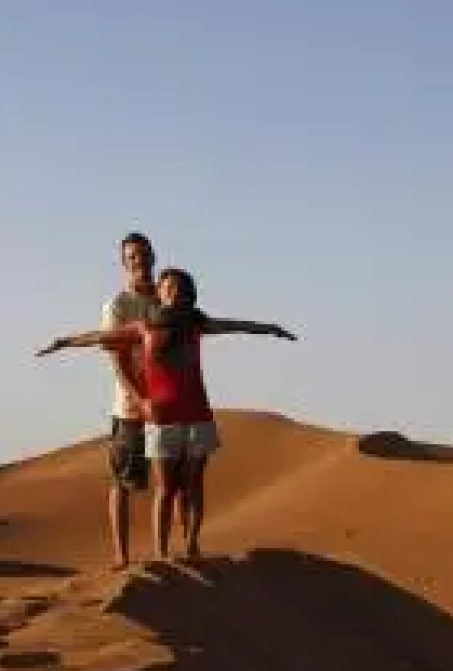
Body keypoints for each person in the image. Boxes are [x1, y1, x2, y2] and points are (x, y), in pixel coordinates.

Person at [37, 266, 295, 562]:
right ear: (159, 294)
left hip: (197, 413)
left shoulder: (196, 324)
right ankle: (161, 552)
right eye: (167, 287)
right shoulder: (143, 327)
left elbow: (235, 324)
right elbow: (100, 336)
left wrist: (271, 329)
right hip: (161, 417)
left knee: (194, 484)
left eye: (179, 288)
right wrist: (64, 343)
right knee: (167, 488)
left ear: (189, 294)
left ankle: (191, 544)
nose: (173, 293)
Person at [97, 232, 160, 568]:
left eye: (145, 254)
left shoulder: (165, 300)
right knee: (122, 479)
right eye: (133, 256)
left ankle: (164, 552)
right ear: (124, 263)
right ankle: (122, 558)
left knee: (170, 479)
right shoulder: (118, 305)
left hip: (166, 402)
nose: (140, 261)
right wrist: (138, 398)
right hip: (131, 406)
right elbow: (116, 358)